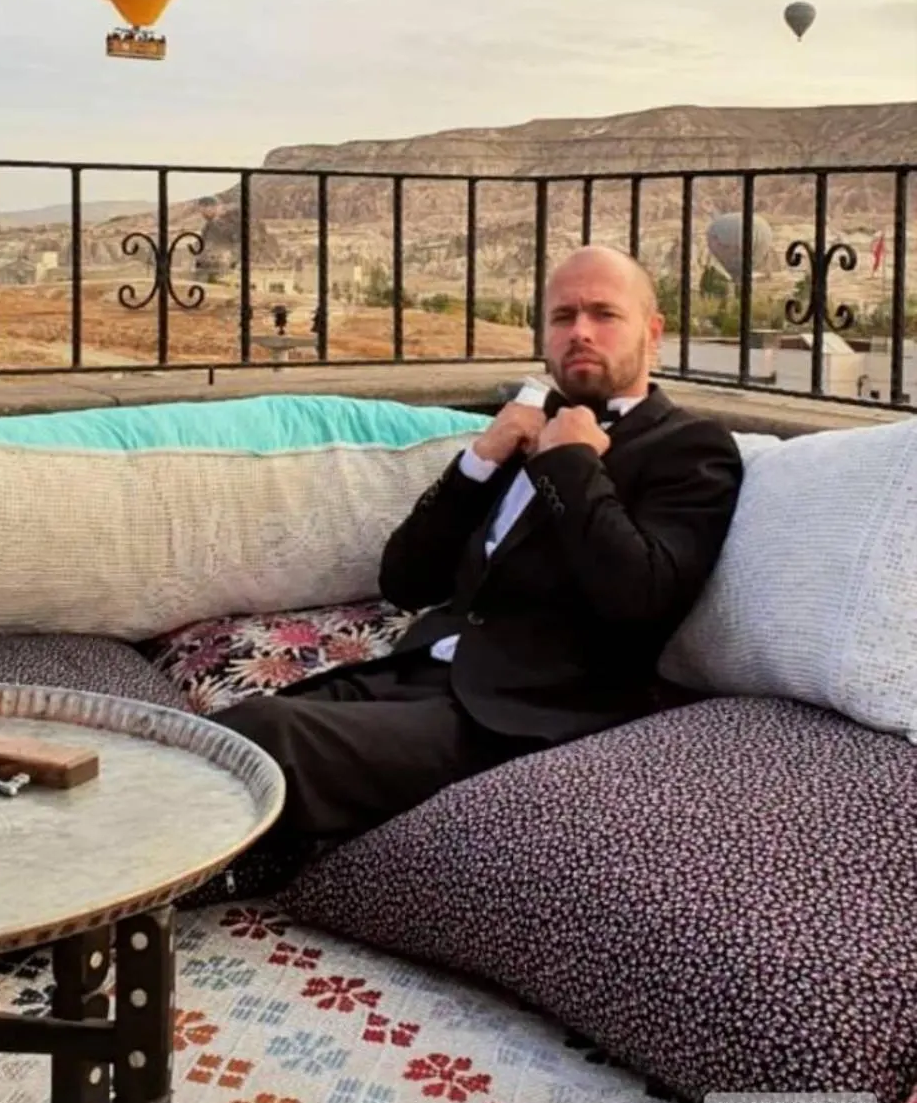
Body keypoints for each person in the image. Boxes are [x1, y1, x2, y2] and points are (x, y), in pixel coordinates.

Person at [211, 245, 743, 853]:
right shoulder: (521, 431)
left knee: (266, 738)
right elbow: (405, 581)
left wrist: (570, 462)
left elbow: (643, 598)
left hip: (525, 715)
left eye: (604, 314)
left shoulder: (689, 447)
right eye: (564, 317)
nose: (581, 332)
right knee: (203, 742)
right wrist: (480, 459)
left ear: (653, 333)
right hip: (419, 676)